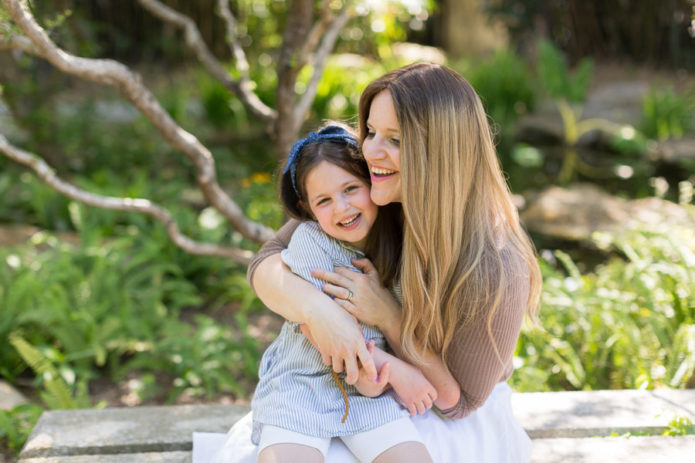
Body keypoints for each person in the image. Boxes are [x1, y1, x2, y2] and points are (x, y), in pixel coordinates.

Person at [205, 62, 541, 463]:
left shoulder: (495, 263)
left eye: (395, 139)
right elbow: (267, 261)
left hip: (439, 408)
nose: (370, 151)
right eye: (371, 132)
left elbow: (458, 402)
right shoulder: (371, 194)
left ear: (441, 152)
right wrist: (321, 314)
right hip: (345, 383)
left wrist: (388, 317)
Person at [250, 124, 435, 463]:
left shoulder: (403, 248)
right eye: (324, 201)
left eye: (351, 188)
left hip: (369, 397)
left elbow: (374, 368)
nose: (341, 208)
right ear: (308, 208)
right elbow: (319, 330)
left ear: (372, 182)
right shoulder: (311, 242)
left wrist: (376, 381)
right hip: (302, 386)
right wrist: (399, 371)